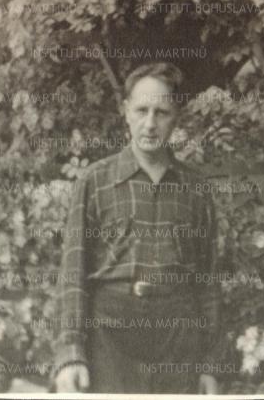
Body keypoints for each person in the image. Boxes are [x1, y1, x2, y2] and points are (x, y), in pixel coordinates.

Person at [52, 62, 220, 394]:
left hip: (177, 339)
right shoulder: (95, 181)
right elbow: (73, 271)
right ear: (125, 111)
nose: (150, 123)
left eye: (162, 112)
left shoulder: (197, 189)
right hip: (110, 337)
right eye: (142, 110)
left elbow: (208, 281)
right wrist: (71, 354)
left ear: (176, 117)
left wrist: (211, 364)